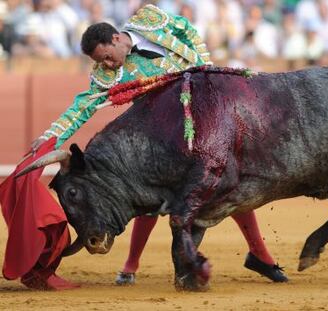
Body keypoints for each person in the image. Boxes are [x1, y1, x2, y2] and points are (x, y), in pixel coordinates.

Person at [30, 4, 288, 286]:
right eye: (102, 62)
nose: (108, 65)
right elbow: (81, 108)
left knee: (228, 185)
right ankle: (130, 265)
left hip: (204, 122)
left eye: (107, 57)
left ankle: (259, 254)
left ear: (116, 39)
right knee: (150, 200)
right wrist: (50, 137)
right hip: (161, 138)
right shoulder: (105, 76)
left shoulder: (150, 20)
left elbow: (186, 28)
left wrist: (203, 68)